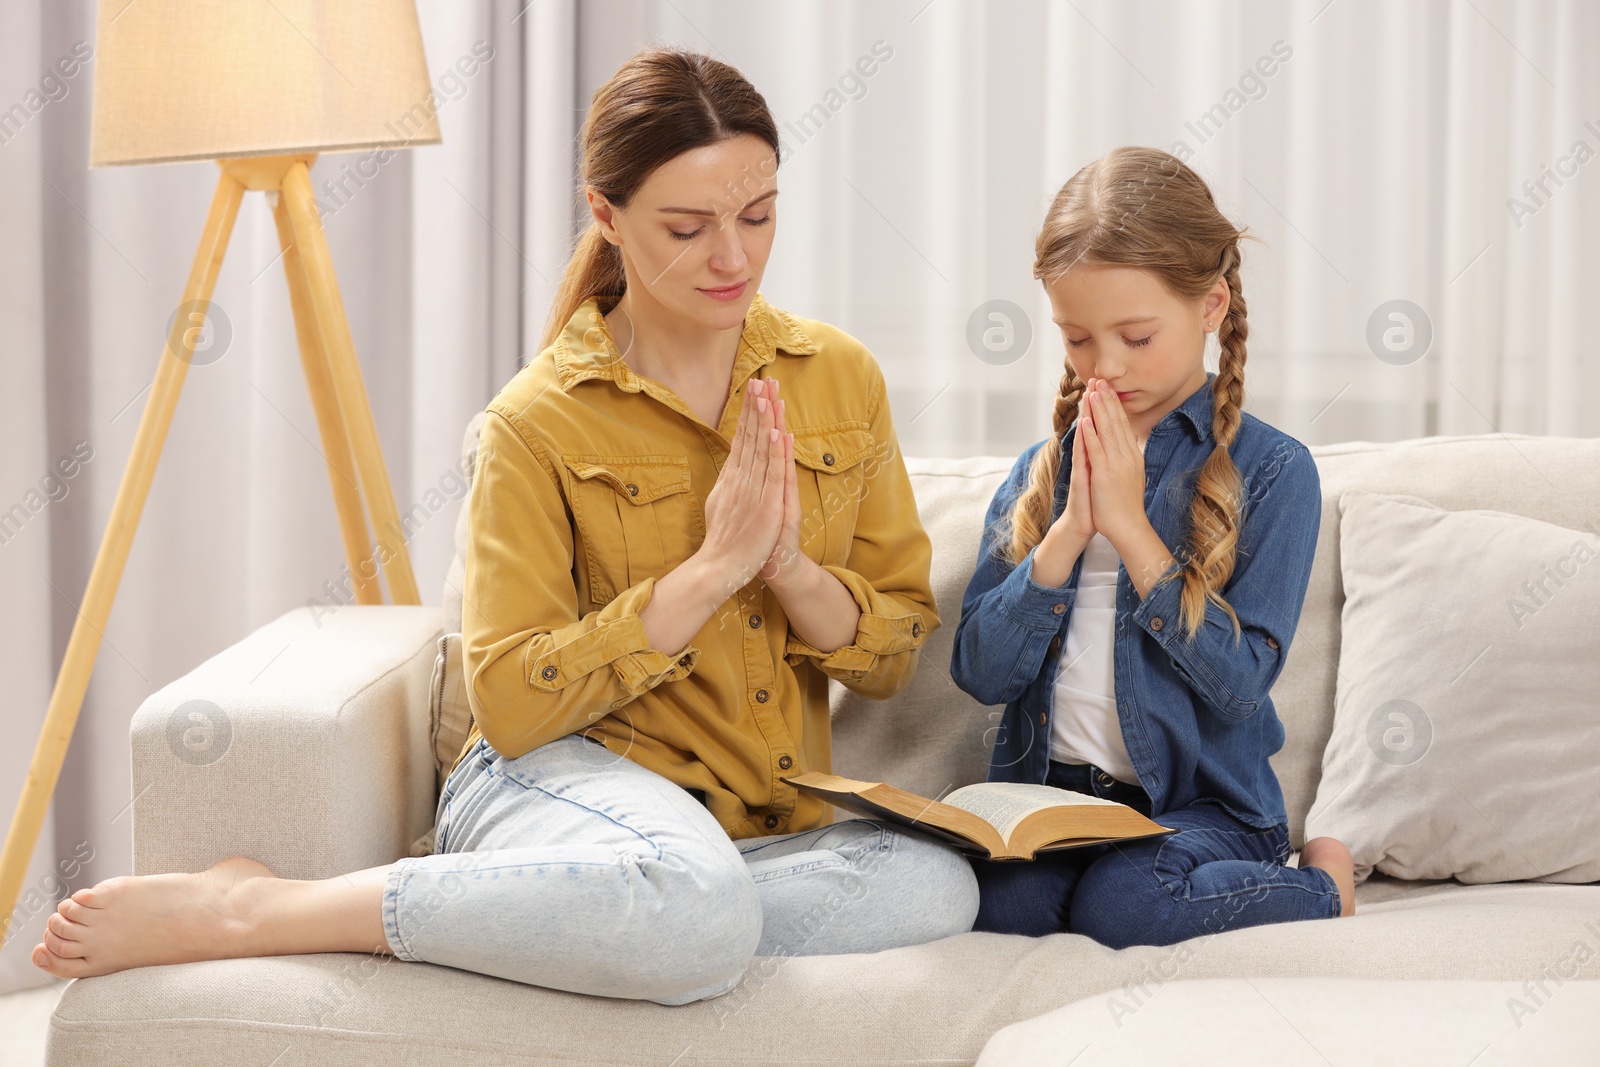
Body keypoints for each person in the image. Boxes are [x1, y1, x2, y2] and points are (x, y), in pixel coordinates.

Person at [31, 47, 978, 1004]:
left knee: (933, 883)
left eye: (758, 216)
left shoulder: (838, 379)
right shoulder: (539, 419)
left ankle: (651, 910)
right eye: (687, 228)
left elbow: (891, 651)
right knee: (698, 908)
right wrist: (708, 572)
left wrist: (786, 568)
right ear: (605, 216)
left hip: (752, 826)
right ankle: (260, 909)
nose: (733, 257)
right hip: (557, 775)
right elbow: (514, 704)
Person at [948, 146, 1356, 949]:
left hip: (1206, 809)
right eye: (1077, 339)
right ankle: (1102, 875)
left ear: (1211, 305)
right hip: (1057, 800)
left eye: (1136, 336)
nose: (1105, 366)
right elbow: (980, 670)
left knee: (1125, 908)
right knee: (999, 906)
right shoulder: (1043, 471)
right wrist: (1068, 534)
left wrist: (1133, 532)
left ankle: (1322, 885)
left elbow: (1240, 687)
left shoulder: (1273, 472)